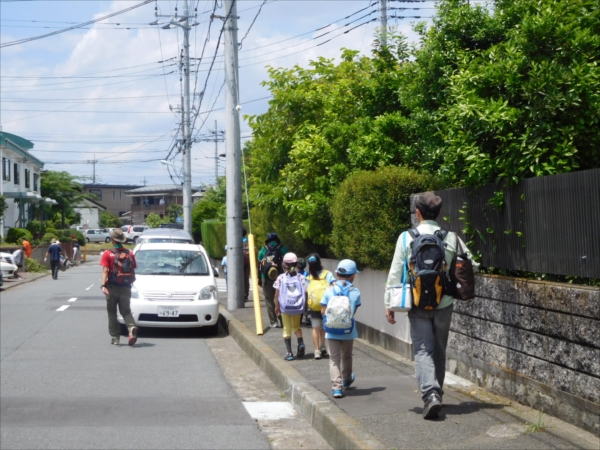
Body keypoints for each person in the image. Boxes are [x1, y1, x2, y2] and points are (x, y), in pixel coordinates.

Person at [384, 192, 479, 420]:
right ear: (438, 213)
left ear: (417, 213)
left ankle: (430, 395)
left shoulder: (407, 237)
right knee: (438, 349)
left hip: (417, 303)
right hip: (444, 302)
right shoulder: (451, 237)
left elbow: (396, 272)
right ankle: (437, 394)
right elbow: (472, 262)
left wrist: (389, 303)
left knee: (423, 350)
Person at [321, 259, 361, 398]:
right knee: (347, 357)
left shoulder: (329, 290)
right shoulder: (355, 291)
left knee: (334, 359)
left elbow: (322, 310)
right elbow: (353, 310)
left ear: (337, 273)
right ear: (353, 275)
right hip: (348, 330)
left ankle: (336, 388)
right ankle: (346, 380)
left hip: (331, 331)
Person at [100, 228, 138, 346]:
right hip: (126, 287)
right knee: (126, 311)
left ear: (112, 240)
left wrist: (102, 285)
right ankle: (131, 328)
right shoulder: (130, 253)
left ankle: (115, 338)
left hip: (112, 287)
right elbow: (133, 268)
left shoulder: (108, 253)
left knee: (112, 312)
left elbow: (105, 270)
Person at [273, 253, 307, 361]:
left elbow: (276, 294)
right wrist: (305, 305)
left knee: (286, 328)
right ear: (296, 264)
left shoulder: (281, 278)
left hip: (285, 307)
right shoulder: (301, 277)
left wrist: (276, 306)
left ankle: (289, 353)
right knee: (296, 326)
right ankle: (300, 343)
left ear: (284, 264)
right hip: (297, 306)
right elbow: (305, 292)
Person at [306, 253, 336, 359]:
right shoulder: (327, 274)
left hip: (314, 306)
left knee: (315, 328)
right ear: (320, 262)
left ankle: (317, 350)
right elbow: (334, 285)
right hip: (326, 305)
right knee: (324, 327)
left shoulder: (309, 277)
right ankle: (323, 345)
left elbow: (306, 291)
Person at [257, 232, 287, 328]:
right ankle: (283, 320)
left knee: (269, 300)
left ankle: (273, 322)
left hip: (265, 277)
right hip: (280, 277)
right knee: (281, 298)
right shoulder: (282, 249)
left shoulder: (263, 249)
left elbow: (259, 264)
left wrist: (259, 279)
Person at [242, 227, 251, 301]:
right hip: (247, 262)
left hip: (238, 263)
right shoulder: (248, 241)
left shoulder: (235, 240)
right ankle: (246, 294)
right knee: (246, 279)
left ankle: (240, 294)